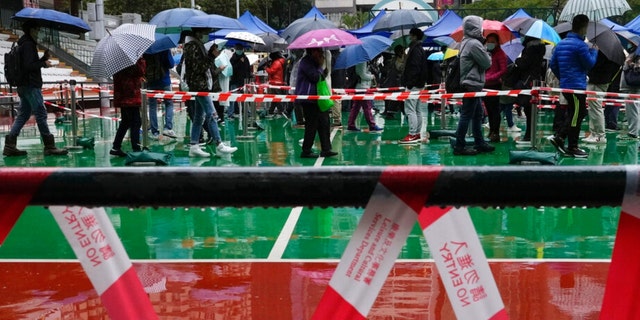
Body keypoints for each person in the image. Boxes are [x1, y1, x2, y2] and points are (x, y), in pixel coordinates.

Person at [3, 21, 68, 157]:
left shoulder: (23, 43)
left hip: (24, 85)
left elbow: (29, 63)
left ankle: (10, 145)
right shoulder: (28, 44)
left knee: (24, 114)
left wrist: (43, 58)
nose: (38, 31)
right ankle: (49, 146)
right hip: (30, 85)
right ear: (31, 29)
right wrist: (44, 63)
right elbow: (29, 66)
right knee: (41, 113)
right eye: (37, 29)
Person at [183, 28, 237, 157]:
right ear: (197, 32)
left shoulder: (193, 46)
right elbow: (199, 67)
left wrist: (209, 55)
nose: (205, 34)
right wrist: (211, 56)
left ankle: (194, 145)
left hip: (199, 85)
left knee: (198, 117)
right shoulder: (193, 47)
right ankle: (219, 144)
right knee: (212, 114)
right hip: (199, 86)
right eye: (204, 31)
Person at [549, 14, 598, 157]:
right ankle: (571, 145)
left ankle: (561, 137)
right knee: (577, 114)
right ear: (584, 27)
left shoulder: (561, 44)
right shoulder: (581, 45)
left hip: (566, 85)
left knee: (574, 113)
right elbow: (589, 64)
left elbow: (553, 65)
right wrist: (594, 51)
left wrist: (563, 77)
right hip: (577, 86)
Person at [452, 15, 494, 156]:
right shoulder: (474, 44)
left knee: (477, 114)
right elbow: (487, 63)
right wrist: (486, 50)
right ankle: (460, 145)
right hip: (472, 83)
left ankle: (479, 141)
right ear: (475, 28)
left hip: (470, 83)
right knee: (467, 115)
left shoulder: (465, 42)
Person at [295, 47, 337, 158]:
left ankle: (326, 149)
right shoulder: (305, 62)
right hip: (308, 99)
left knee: (324, 123)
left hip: (317, 98)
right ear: (312, 51)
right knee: (311, 125)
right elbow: (315, 77)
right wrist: (322, 72)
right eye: (318, 51)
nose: (321, 53)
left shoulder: (314, 62)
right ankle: (306, 150)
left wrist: (323, 70)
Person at [513, 36, 546, 145]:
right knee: (531, 109)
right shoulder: (540, 48)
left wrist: (517, 60)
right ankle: (530, 134)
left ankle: (529, 135)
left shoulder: (530, 49)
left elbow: (524, 63)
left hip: (527, 80)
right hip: (534, 80)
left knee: (528, 108)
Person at [583, 51, 621, 144]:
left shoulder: (603, 55)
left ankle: (600, 135)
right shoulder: (615, 55)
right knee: (593, 108)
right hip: (603, 81)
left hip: (598, 82)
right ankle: (593, 133)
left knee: (596, 108)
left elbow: (593, 65)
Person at [110, 58, 145, 157]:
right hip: (130, 95)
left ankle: (116, 147)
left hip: (122, 95)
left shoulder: (116, 60)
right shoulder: (132, 60)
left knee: (125, 122)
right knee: (136, 122)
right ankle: (136, 149)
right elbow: (141, 71)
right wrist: (140, 59)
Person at [398, 28, 426, 144]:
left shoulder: (414, 50)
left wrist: (409, 84)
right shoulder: (420, 49)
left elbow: (414, 68)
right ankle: (417, 133)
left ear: (414, 36)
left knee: (410, 110)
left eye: (410, 35)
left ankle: (412, 134)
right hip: (420, 84)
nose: (409, 37)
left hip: (413, 85)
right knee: (418, 110)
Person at [144, 49, 176, 140]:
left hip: (151, 82)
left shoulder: (147, 49)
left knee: (152, 107)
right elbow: (171, 64)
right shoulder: (164, 48)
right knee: (169, 103)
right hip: (165, 80)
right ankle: (168, 128)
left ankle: (155, 132)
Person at [483, 33, 508, 142]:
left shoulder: (500, 54)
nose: (490, 43)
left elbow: (503, 70)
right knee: (489, 109)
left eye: (493, 41)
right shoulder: (486, 53)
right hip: (485, 85)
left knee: (495, 110)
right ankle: (491, 131)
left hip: (494, 85)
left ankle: (495, 132)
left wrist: (491, 77)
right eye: (488, 41)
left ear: (497, 42)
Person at [346, 61, 383, 133]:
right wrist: (371, 76)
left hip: (361, 87)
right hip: (363, 87)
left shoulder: (361, 61)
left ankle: (351, 124)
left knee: (356, 107)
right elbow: (362, 75)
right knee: (367, 106)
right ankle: (372, 125)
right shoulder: (362, 62)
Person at [381, 45, 405, 119]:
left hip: (393, 82)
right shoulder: (396, 60)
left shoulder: (393, 60)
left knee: (398, 99)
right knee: (396, 99)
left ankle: (402, 112)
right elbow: (399, 69)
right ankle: (390, 113)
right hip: (396, 83)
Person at [620, 50, 640, 140]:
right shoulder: (635, 54)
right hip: (631, 87)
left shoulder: (637, 55)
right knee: (633, 111)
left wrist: (629, 64)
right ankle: (633, 132)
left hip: (633, 87)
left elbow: (637, 70)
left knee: (633, 111)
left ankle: (633, 133)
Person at [229, 43, 251, 119]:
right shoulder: (233, 58)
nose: (240, 51)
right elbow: (232, 68)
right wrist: (239, 62)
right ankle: (232, 112)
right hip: (234, 80)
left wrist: (248, 78)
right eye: (238, 49)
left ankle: (246, 111)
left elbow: (248, 69)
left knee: (244, 97)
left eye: (241, 49)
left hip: (243, 81)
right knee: (233, 97)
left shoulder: (245, 58)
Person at [264, 50, 287, 116]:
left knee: (276, 98)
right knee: (275, 97)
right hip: (278, 82)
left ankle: (281, 111)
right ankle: (271, 110)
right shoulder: (280, 61)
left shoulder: (276, 62)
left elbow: (271, 71)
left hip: (275, 83)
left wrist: (266, 68)